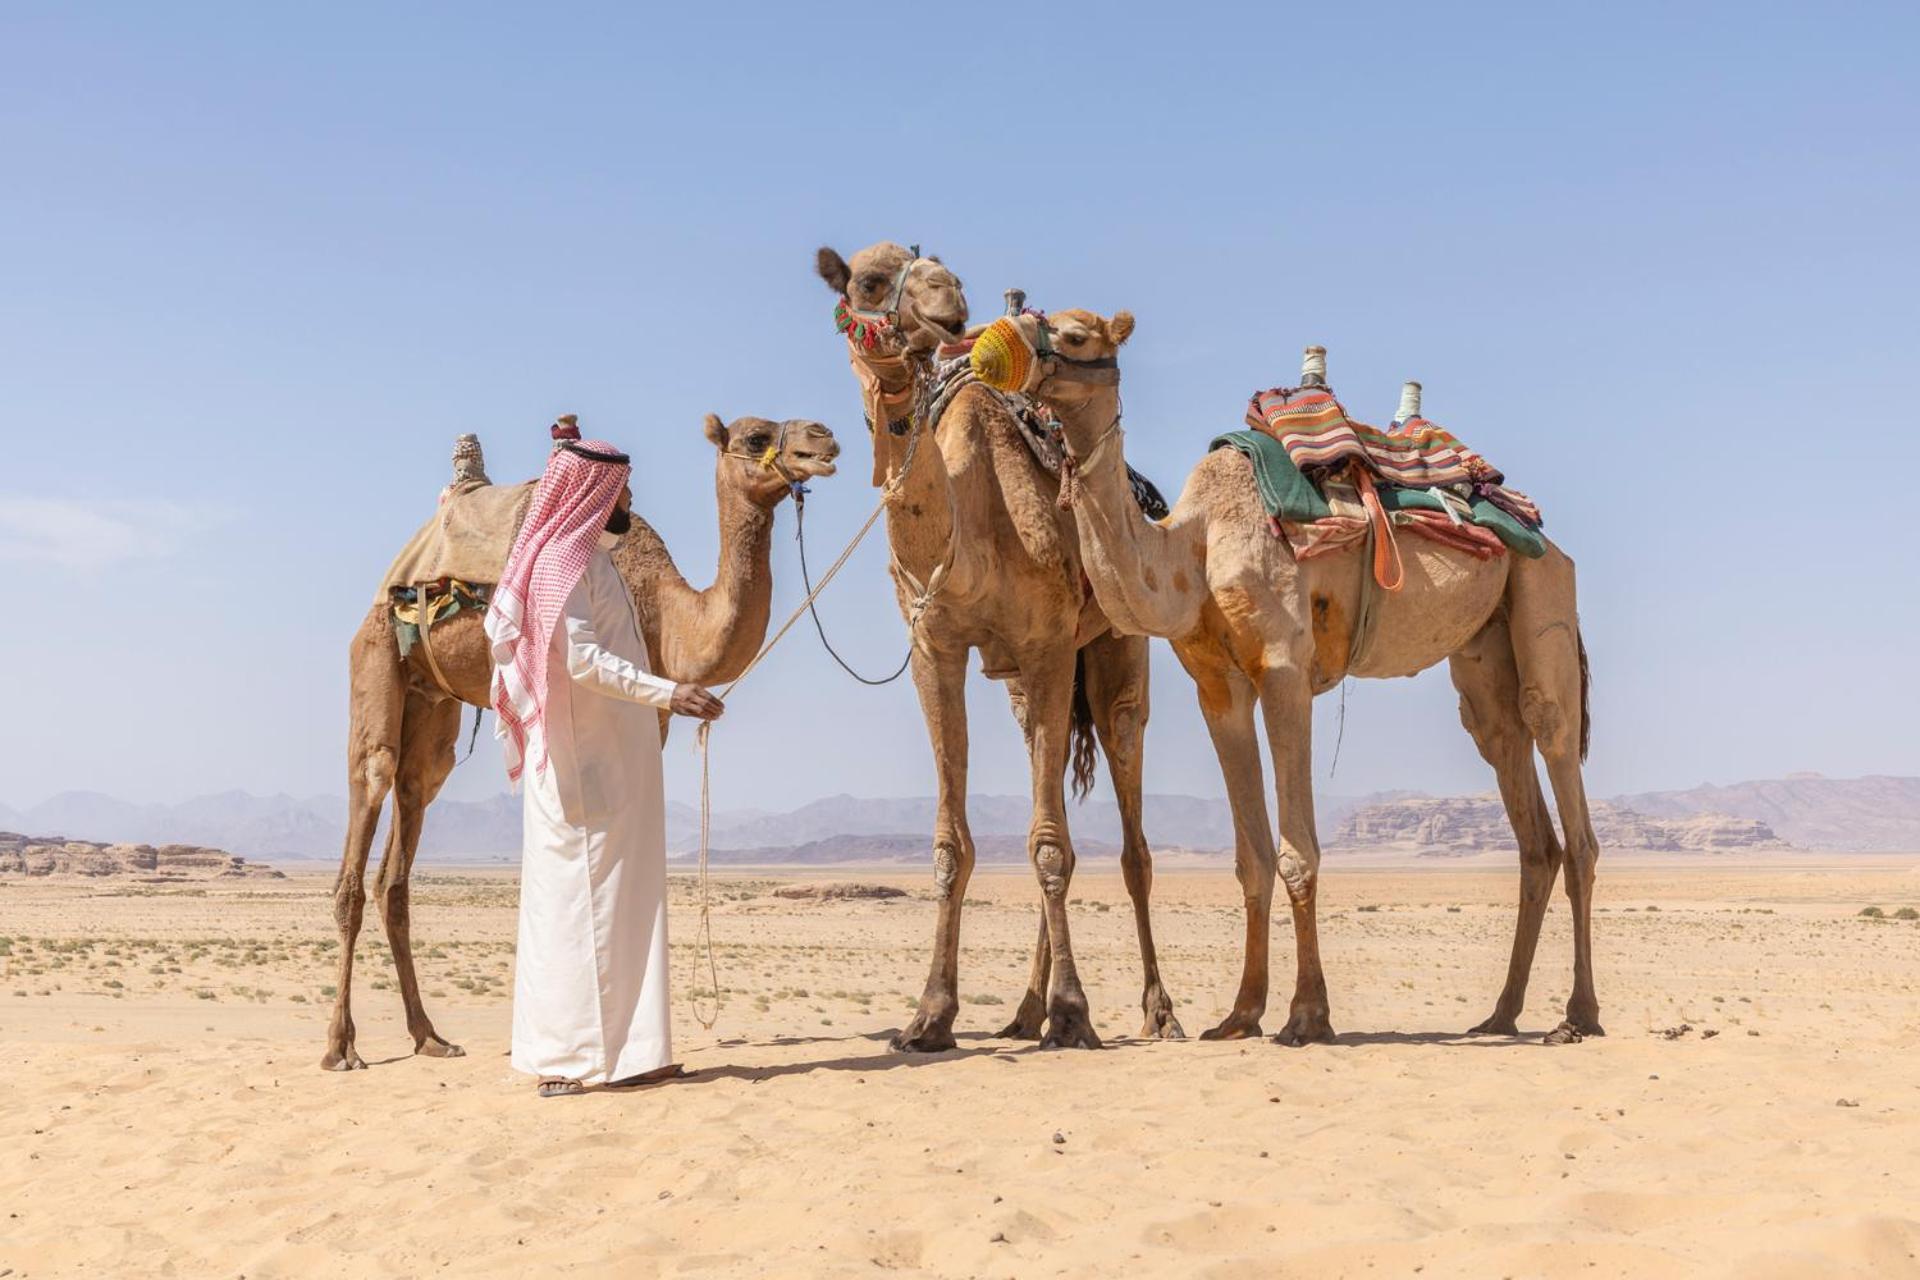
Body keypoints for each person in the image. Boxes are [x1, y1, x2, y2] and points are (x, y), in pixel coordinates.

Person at [483, 428, 724, 1098]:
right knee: (576, 913)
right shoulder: (566, 563)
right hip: (581, 768)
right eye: (623, 493)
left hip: (618, 766)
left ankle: (632, 1054)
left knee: (623, 906)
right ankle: (566, 1059)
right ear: (596, 495)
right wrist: (669, 692)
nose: (631, 504)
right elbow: (584, 662)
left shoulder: (594, 559)